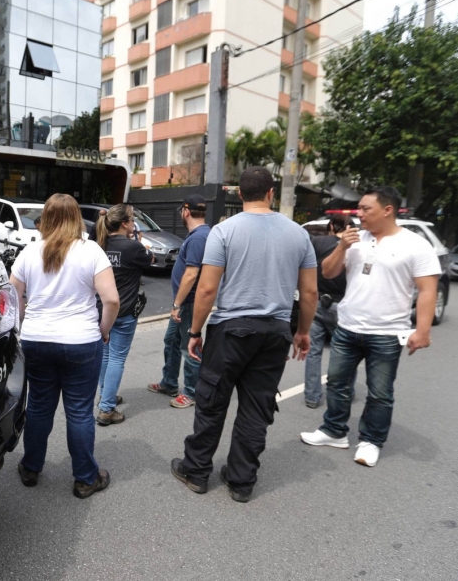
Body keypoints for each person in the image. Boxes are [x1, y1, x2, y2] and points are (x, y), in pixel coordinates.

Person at [170, 167, 318, 503]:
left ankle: (196, 471)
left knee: (211, 402)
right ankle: (241, 480)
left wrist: (194, 331)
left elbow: (206, 289)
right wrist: (303, 332)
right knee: (256, 407)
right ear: (271, 193)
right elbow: (309, 294)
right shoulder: (298, 235)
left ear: (240, 195)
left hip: (231, 330)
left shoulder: (223, 231)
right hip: (276, 332)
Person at [300, 187, 440, 468]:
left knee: (380, 392)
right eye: (359, 209)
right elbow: (327, 272)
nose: (358, 214)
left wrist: (422, 331)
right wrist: (342, 246)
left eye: (365, 209)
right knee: (338, 383)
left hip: (387, 332)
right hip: (347, 326)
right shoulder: (355, 240)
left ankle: (371, 441)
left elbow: (427, 290)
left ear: (387, 210)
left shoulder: (415, 245)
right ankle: (334, 431)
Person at [9, 194, 120, 499]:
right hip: (81, 341)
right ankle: (85, 478)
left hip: (36, 339)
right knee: (80, 412)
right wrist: (103, 330)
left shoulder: (29, 252)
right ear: (75, 217)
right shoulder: (91, 251)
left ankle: (31, 467)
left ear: (46, 217)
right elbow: (111, 300)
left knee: (40, 407)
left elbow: (13, 295)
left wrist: (21, 326)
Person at [94, 203, 156, 426]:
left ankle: (106, 396)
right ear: (125, 224)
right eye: (131, 220)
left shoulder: (99, 244)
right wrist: (138, 239)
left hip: (101, 310)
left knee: (105, 356)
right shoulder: (133, 247)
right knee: (117, 358)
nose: (133, 223)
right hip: (124, 310)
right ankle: (107, 409)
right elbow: (151, 260)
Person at [147, 194, 211, 409]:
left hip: (189, 303)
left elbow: (191, 274)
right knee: (171, 342)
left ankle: (191, 392)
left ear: (185, 212)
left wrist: (177, 304)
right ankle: (169, 382)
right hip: (185, 302)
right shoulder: (201, 235)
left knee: (188, 347)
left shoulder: (197, 238)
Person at [303, 213, 351, 408]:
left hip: (317, 301)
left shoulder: (318, 242)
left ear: (331, 226)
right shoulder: (356, 246)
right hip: (343, 305)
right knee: (345, 353)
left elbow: (308, 267)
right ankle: (343, 393)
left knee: (313, 352)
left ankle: (312, 397)